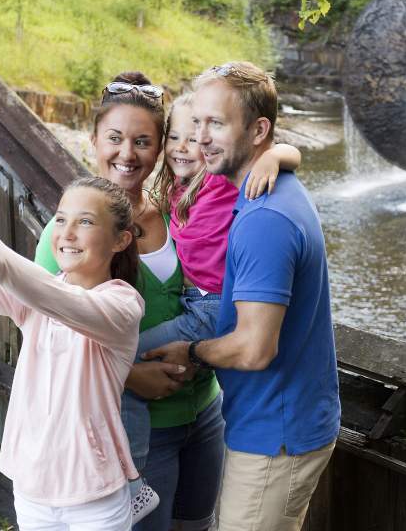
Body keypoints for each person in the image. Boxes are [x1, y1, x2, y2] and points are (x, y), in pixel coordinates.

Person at [35, 73, 301, 531]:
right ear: (94, 140)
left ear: (161, 148)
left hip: (203, 414)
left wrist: (277, 152)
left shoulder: (178, 206)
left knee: (197, 524)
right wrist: (130, 374)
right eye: (115, 138)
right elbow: (45, 343)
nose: (127, 153)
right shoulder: (67, 235)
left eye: (143, 141)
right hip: (138, 430)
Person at [143, 61, 341, 531]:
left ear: (258, 130)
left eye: (216, 124)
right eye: (197, 123)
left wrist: (190, 351)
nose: (200, 138)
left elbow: (254, 349)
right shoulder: (265, 193)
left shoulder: (263, 219)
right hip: (278, 420)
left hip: (277, 432)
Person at [125, 90, 301, 531]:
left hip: (212, 307)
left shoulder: (222, 183)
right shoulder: (174, 196)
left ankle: (132, 484)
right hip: (196, 302)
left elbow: (287, 149)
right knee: (124, 367)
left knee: (121, 363)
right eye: (176, 137)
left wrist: (273, 156)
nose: (186, 146)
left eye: (199, 138)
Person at [0, 176, 143, 530]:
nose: (67, 233)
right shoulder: (40, 293)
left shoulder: (123, 305)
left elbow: (60, 300)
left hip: (96, 498)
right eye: (62, 219)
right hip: (32, 487)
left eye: (85, 221)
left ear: (120, 240)